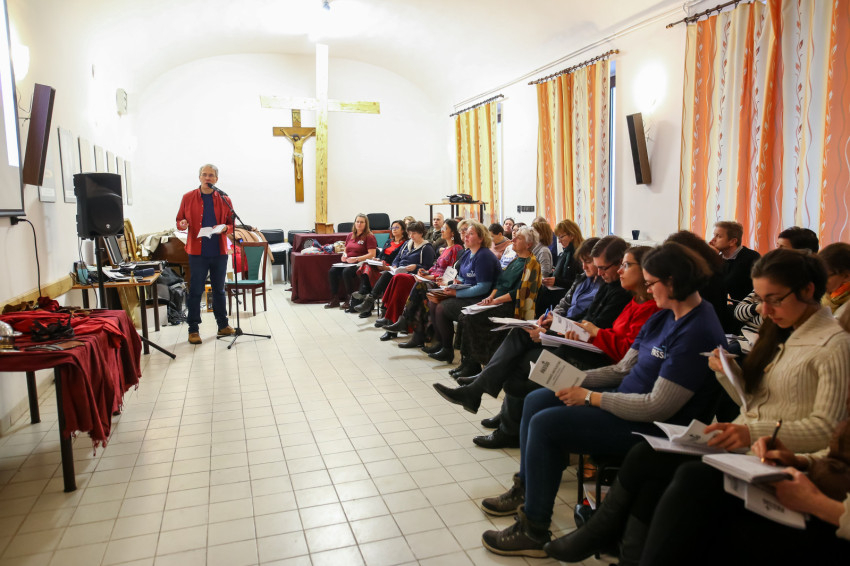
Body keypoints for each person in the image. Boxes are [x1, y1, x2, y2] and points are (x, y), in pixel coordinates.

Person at [544, 248, 850, 565]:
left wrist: (750, 433)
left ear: (808, 290)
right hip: (750, 447)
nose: (764, 310)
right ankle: (612, 542)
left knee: (685, 479)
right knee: (647, 459)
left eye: (774, 299)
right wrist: (728, 375)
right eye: (760, 299)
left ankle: (601, 536)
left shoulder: (833, 344)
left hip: (768, 454)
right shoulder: (780, 331)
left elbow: (826, 429)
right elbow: (756, 403)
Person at [479, 242, 728, 558]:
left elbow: (658, 406)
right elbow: (623, 369)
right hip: (626, 401)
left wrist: (590, 397)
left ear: (672, 282)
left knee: (546, 424)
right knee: (538, 399)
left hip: (655, 426)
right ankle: (528, 490)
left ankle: (533, 528)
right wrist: (574, 380)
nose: (648, 290)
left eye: (651, 283)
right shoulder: (664, 315)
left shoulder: (697, 330)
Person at [432, 236, 631, 418]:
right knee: (517, 333)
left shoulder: (613, 289)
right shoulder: (593, 281)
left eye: (596, 265)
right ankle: (485, 392)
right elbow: (571, 309)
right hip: (567, 334)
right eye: (587, 262)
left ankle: (487, 396)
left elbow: (591, 326)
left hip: (578, 347)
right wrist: (551, 319)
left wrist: (549, 331)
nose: (591, 268)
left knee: (517, 359)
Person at [450, 226, 542, 378]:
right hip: (498, 301)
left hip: (513, 306)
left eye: (518, 238)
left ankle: (476, 364)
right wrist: (490, 298)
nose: (513, 239)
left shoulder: (532, 264)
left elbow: (520, 292)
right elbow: (499, 283)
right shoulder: (515, 260)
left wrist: (495, 301)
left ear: (528, 244)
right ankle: (467, 361)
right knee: (464, 315)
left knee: (473, 318)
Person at [423, 221, 501, 363]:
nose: (465, 236)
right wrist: (454, 283)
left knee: (442, 308)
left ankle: (447, 349)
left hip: (482, 298)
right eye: (466, 234)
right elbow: (462, 277)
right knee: (433, 302)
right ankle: (441, 344)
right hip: (468, 292)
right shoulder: (467, 253)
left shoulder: (484, 256)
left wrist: (456, 293)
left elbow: (483, 287)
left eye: (471, 234)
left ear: (481, 238)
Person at [176, 163, 236, 344]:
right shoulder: (188, 197)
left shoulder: (225, 199)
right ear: (199, 177)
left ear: (216, 179)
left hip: (219, 251)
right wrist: (182, 224)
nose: (207, 178)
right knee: (196, 290)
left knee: (219, 290)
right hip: (197, 252)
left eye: (211, 175)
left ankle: (223, 325)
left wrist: (225, 228)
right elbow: (179, 220)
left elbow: (231, 224)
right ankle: (193, 329)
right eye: (204, 174)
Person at [377, 220, 463, 338]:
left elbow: (450, 272)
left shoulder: (454, 248)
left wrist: (425, 273)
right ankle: (391, 319)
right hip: (426, 277)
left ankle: (392, 318)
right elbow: (434, 267)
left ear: (452, 233)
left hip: (437, 281)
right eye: (410, 233)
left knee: (400, 278)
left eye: (445, 229)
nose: (442, 231)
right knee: (396, 279)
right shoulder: (445, 248)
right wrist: (425, 272)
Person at [353, 221, 435, 318]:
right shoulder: (407, 244)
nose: (411, 236)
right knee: (387, 274)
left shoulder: (427, 248)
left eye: (414, 233)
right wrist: (395, 266)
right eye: (410, 233)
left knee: (388, 276)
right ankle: (380, 308)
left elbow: (428, 267)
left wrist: (416, 266)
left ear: (421, 233)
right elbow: (397, 258)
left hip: (413, 275)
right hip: (400, 271)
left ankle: (372, 303)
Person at [350, 220, 408, 312]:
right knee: (366, 265)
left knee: (380, 273)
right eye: (392, 227)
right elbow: (381, 254)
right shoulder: (389, 241)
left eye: (397, 227)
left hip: (390, 267)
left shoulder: (405, 244)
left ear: (403, 230)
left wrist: (385, 265)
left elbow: (398, 259)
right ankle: (364, 291)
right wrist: (377, 259)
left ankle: (366, 296)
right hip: (380, 264)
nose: (394, 229)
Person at [325, 214, 377, 309]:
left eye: (362, 222)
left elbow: (372, 254)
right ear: (354, 223)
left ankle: (350, 299)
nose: (359, 224)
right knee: (332, 271)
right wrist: (343, 256)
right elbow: (346, 250)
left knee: (346, 272)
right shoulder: (350, 235)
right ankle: (334, 299)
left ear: (366, 224)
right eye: (357, 221)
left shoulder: (369, 236)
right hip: (348, 262)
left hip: (361, 263)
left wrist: (357, 258)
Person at [536, 219, 583, 317]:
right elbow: (558, 275)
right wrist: (550, 278)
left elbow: (579, 282)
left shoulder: (580, 255)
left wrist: (556, 281)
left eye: (561, 237)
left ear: (572, 235)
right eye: (558, 237)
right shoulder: (564, 253)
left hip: (568, 297)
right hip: (558, 293)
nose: (559, 241)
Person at [709, 220, 761, 301]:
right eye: (714, 235)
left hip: (751, 305)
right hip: (731, 305)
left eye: (718, 236)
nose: (713, 240)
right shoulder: (719, 258)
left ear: (732, 241)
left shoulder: (752, 257)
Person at [820, 242, 850, 318]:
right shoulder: (828, 298)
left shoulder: (846, 311)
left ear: (846, 276)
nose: (819, 281)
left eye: (824, 276)